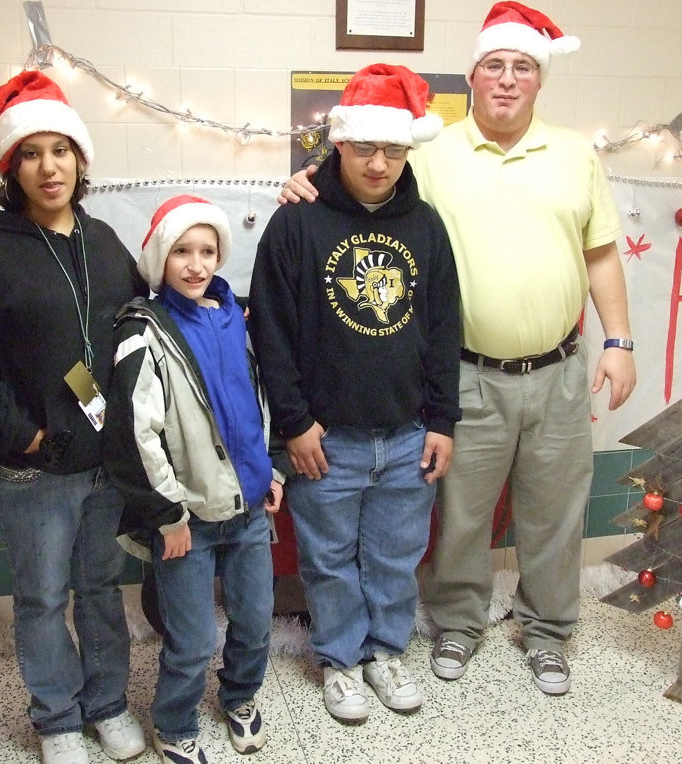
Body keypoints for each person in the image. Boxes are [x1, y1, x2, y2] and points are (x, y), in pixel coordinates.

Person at [280, 2, 637, 696]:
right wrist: (303, 180)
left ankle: (549, 631)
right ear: (471, 77)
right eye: (495, 66)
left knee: (556, 513)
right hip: (465, 372)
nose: (508, 79)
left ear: (541, 80)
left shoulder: (573, 153)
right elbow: (357, 182)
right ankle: (456, 626)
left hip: (561, 369)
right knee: (463, 516)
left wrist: (618, 340)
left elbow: (600, 253)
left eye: (523, 67)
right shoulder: (430, 152)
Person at [0, 71, 146, 764]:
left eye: (60, 150)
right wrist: (23, 435)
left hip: (105, 468)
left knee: (99, 591)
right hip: (33, 471)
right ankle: (57, 717)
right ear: (10, 166)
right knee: (40, 601)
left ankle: (108, 703)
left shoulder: (108, 242)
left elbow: (139, 335)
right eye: (31, 153)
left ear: (80, 159)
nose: (48, 166)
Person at [250, 64, 461, 724]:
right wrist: (295, 424)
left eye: (393, 150)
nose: (379, 163)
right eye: (366, 148)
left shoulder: (426, 225)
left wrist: (442, 420)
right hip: (326, 439)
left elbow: (444, 327)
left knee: (395, 559)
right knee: (331, 561)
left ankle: (385, 651)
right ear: (338, 144)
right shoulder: (296, 224)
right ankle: (341, 659)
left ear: (407, 151)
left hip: (406, 436)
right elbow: (273, 335)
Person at [103, 195, 284, 764]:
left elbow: (252, 404)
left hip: (248, 508)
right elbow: (136, 432)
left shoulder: (235, 318)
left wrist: (268, 471)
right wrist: (166, 515)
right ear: (160, 257)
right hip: (186, 520)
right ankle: (175, 722)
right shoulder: (144, 330)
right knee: (192, 639)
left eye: (207, 251)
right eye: (182, 250)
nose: (196, 263)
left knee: (255, 622)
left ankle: (240, 696)